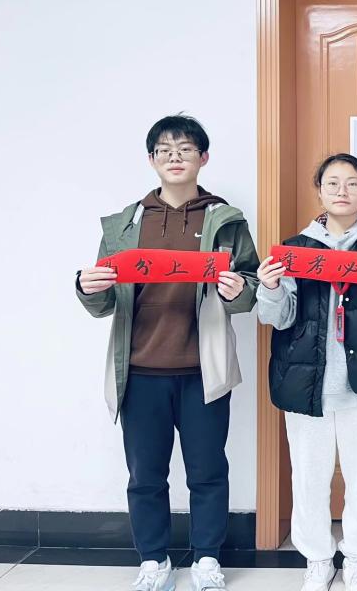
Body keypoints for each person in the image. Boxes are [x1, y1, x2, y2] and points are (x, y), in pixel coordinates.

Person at [76, 115, 259, 591]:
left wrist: (239, 289)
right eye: (165, 150)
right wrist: (86, 287)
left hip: (203, 370)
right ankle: (154, 560)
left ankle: (206, 559)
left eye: (185, 149)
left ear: (203, 157)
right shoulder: (125, 224)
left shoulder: (226, 220)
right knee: (145, 476)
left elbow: (250, 289)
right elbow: (103, 301)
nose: (175, 157)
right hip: (139, 370)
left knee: (208, 471)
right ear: (151, 160)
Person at [256, 153, 357, 591]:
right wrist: (270, 287)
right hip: (305, 382)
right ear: (320, 191)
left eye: (352, 183)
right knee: (309, 478)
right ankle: (318, 559)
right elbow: (276, 317)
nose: (342, 191)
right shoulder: (295, 248)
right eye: (332, 183)